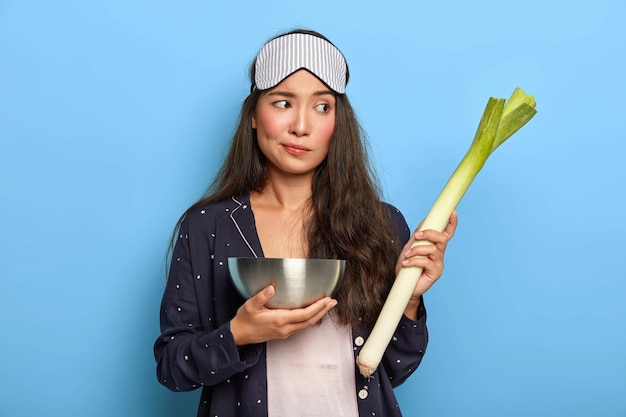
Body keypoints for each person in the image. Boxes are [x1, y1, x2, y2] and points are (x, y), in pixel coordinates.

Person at [154, 29, 457, 417]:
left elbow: (396, 366)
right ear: (252, 115)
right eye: (282, 103)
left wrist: (410, 298)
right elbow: (171, 368)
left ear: (338, 122)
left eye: (322, 107)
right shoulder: (207, 227)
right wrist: (239, 334)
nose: (301, 126)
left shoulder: (381, 223)